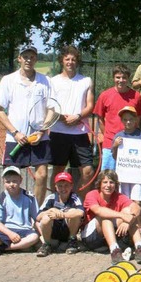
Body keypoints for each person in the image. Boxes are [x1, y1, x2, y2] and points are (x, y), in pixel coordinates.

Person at [0, 44, 52, 205]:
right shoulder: (8, 80)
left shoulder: (46, 81)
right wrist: (15, 132)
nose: (28, 59)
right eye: (25, 56)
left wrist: (41, 131)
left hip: (39, 138)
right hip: (15, 139)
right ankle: (12, 213)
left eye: (32, 57)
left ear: (36, 59)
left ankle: (36, 212)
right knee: (11, 178)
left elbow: (52, 110)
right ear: (19, 58)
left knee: (42, 175)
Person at [49, 45, 95, 200]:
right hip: (58, 132)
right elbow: (49, 107)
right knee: (58, 170)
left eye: (73, 59)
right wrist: (62, 118)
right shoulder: (52, 81)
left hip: (80, 133)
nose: (70, 62)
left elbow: (90, 105)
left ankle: (77, 203)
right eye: (67, 59)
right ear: (62, 60)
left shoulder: (86, 80)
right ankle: (56, 202)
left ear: (77, 62)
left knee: (88, 171)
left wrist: (77, 116)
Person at [82, 170, 141, 264]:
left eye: (111, 182)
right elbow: (98, 210)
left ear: (116, 184)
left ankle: (140, 248)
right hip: (91, 237)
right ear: (99, 184)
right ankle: (114, 251)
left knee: (130, 212)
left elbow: (137, 208)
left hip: (108, 237)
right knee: (105, 217)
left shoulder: (119, 196)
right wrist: (122, 216)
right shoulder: (91, 194)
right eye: (105, 182)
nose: (108, 185)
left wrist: (128, 221)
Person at [94, 63, 141, 171]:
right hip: (110, 143)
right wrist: (108, 135)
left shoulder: (136, 96)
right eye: (118, 77)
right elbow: (100, 118)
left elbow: (139, 117)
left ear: (128, 79)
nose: (121, 80)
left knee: (127, 176)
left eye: (124, 78)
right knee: (108, 177)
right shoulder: (105, 95)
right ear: (113, 78)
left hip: (131, 143)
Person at [35, 172, 84, 257]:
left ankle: (72, 241)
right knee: (46, 217)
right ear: (56, 187)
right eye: (60, 186)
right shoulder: (51, 198)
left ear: (71, 186)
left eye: (66, 185)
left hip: (67, 229)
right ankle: (46, 244)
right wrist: (50, 210)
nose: (63, 188)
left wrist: (62, 214)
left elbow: (81, 212)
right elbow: (38, 217)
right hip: (53, 231)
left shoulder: (74, 197)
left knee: (74, 213)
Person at [111, 106, 141, 206]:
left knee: (136, 200)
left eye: (131, 119)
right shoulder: (118, 136)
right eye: (125, 119)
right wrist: (115, 146)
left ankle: (137, 221)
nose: (128, 122)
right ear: (121, 121)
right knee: (124, 199)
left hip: (137, 173)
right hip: (123, 174)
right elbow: (115, 157)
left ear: (136, 119)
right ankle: (125, 219)